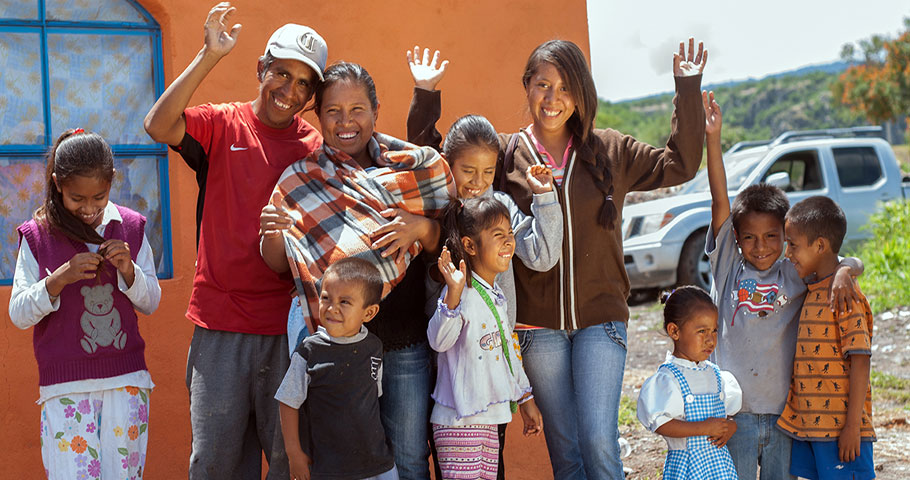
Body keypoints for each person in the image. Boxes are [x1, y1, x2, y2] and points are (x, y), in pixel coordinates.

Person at [409, 38, 708, 479]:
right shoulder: (505, 155)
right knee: (565, 451)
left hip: (601, 322)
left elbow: (680, 164)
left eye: (566, 87)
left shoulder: (610, 150)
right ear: (527, 86)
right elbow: (438, 165)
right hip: (537, 329)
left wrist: (687, 88)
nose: (553, 98)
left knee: (599, 442)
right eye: (543, 85)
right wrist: (425, 95)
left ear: (582, 92)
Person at [142, 3, 326, 477]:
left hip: (290, 330)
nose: (289, 91)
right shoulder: (223, 124)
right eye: (281, 73)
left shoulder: (315, 149)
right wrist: (209, 54)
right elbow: (158, 125)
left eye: (304, 83)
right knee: (215, 465)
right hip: (220, 327)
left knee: (289, 463)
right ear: (261, 67)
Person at [259, 61, 452, 480]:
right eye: (333, 111)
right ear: (318, 116)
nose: (345, 122)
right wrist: (272, 235)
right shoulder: (300, 180)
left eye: (357, 109)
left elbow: (448, 243)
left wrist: (423, 228)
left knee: (409, 457)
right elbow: (281, 263)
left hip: (403, 339)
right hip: (336, 348)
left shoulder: (413, 169)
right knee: (339, 456)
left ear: (376, 111)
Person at [703, 91, 865, 479]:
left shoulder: (793, 270)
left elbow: (839, 259)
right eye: (749, 238)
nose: (761, 247)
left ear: (786, 235)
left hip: (786, 416)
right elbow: (719, 200)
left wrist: (848, 269)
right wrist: (713, 137)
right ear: (736, 238)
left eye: (773, 237)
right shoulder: (728, 267)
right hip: (735, 414)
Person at [9, 129, 161, 479]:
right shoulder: (37, 235)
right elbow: (18, 313)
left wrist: (129, 271)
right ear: (57, 184)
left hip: (126, 383)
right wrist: (58, 279)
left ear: (111, 182)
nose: (89, 209)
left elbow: (151, 302)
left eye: (99, 197)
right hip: (65, 389)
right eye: (77, 198)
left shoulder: (131, 227)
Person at [428, 197, 544, 480]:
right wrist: (452, 296)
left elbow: (507, 353)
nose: (509, 241)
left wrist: (526, 399)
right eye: (498, 234)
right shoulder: (460, 292)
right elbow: (438, 341)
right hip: (459, 423)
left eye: (510, 233)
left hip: (490, 420)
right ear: (470, 245)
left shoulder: (495, 295)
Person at [775, 196, 876, 480]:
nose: (787, 253)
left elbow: (860, 361)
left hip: (841, 430)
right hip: (811, 426)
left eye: (792, 244)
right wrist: (846, 267)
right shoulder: (813, 286)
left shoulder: (844, 294)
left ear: (820, 245)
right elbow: (852, 262)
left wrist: (853, 427)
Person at [275, 257, 399, 480]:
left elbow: (374, 398)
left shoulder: (373, 347)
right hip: (330, 468)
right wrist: (294, 453)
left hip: (378, 465)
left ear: (369, 313)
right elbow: (287, 401)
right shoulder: (309, 351)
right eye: (326, 298)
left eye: (344, 302)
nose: (332, 308)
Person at [637, 286, 741, 479]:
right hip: (688, 466)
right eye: (702, 331)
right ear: (674, 331)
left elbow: (725, 415)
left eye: (714, 331)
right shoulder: (669, 379)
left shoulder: (715, 374)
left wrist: (730, 426)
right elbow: (660, 424)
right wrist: (704, 428)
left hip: (718, 465)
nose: (710, 340)